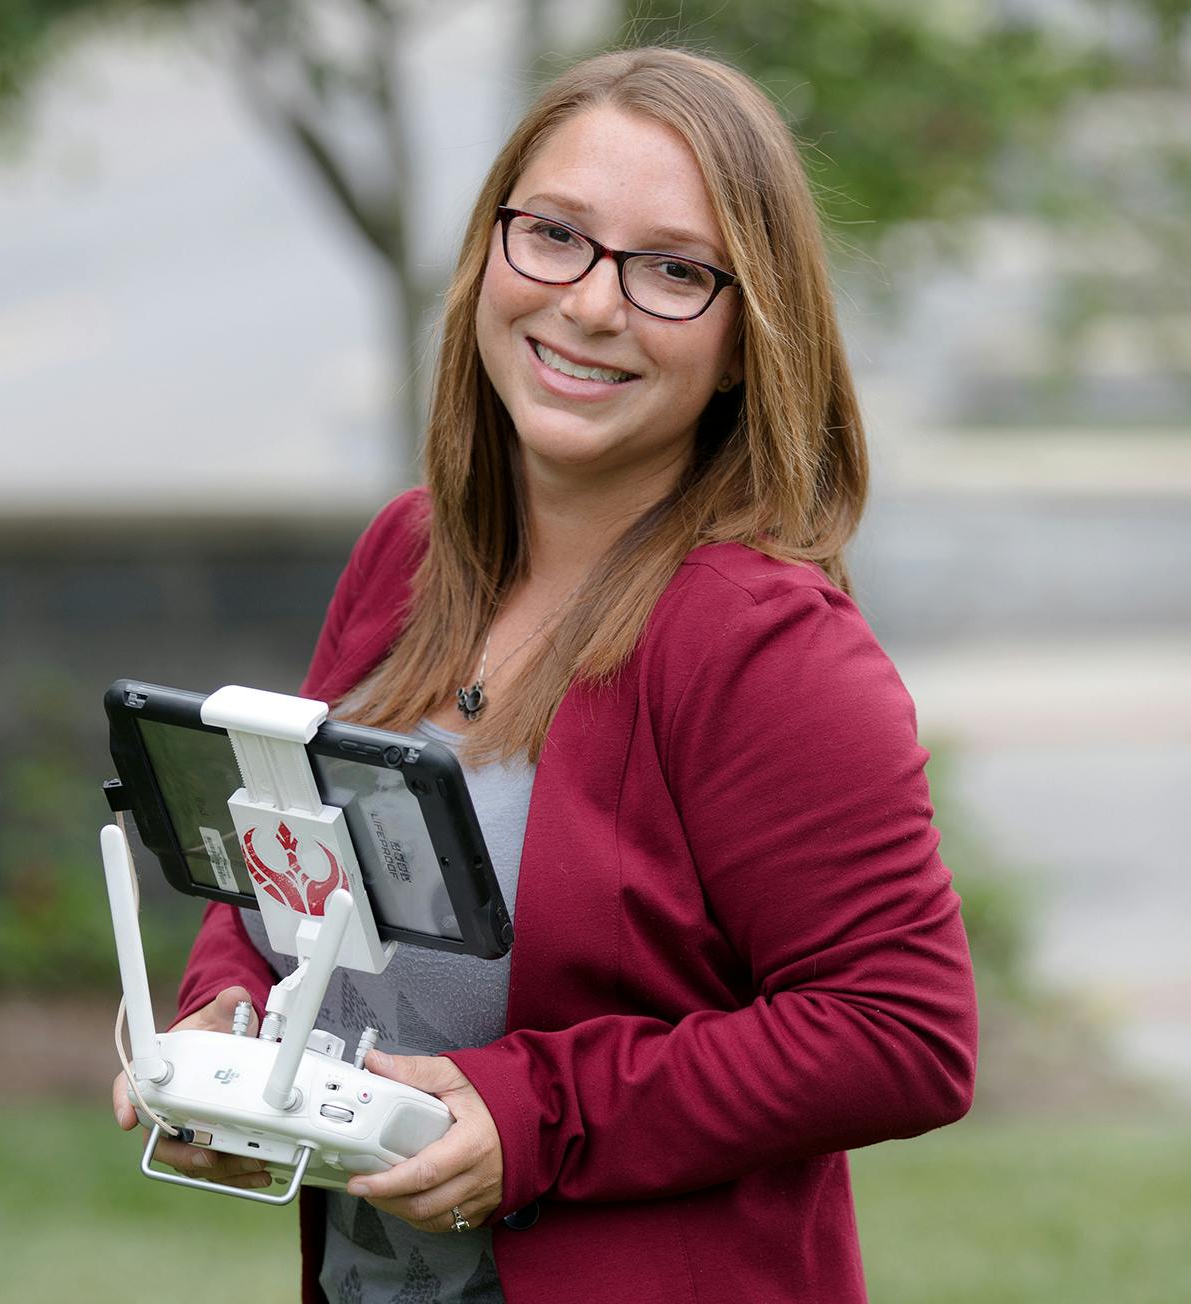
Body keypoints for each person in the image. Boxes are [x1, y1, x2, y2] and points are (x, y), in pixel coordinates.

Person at [113, 46, 977, 1304]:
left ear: (746, 340)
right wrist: (227, 1022)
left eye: (674, 270)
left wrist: (540, 1112)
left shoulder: (765, 647)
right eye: (556, 235)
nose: (588, 305)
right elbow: (286, 868)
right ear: (488, 257)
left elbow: (903, 1033)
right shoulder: (407, 557)